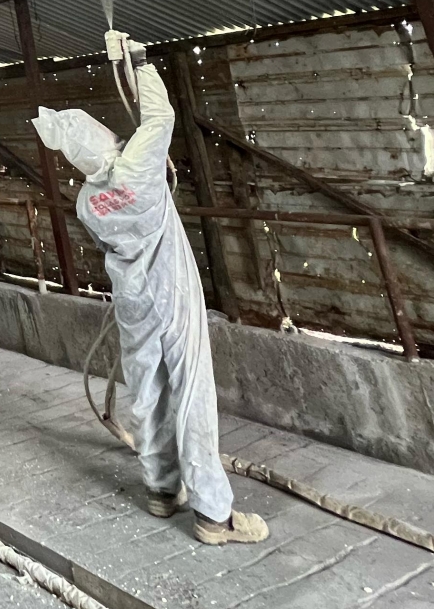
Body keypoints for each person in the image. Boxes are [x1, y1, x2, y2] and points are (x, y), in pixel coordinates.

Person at [33, 59, 268, 546]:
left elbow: (111, 227)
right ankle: (213, 515)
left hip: (133, 301)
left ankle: (161, 489)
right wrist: (141, 66)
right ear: (104, 141)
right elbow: (160, 118)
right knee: (192, 393)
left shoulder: (86, 202)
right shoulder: (137, 169)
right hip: (170, 293)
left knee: (147, 391)